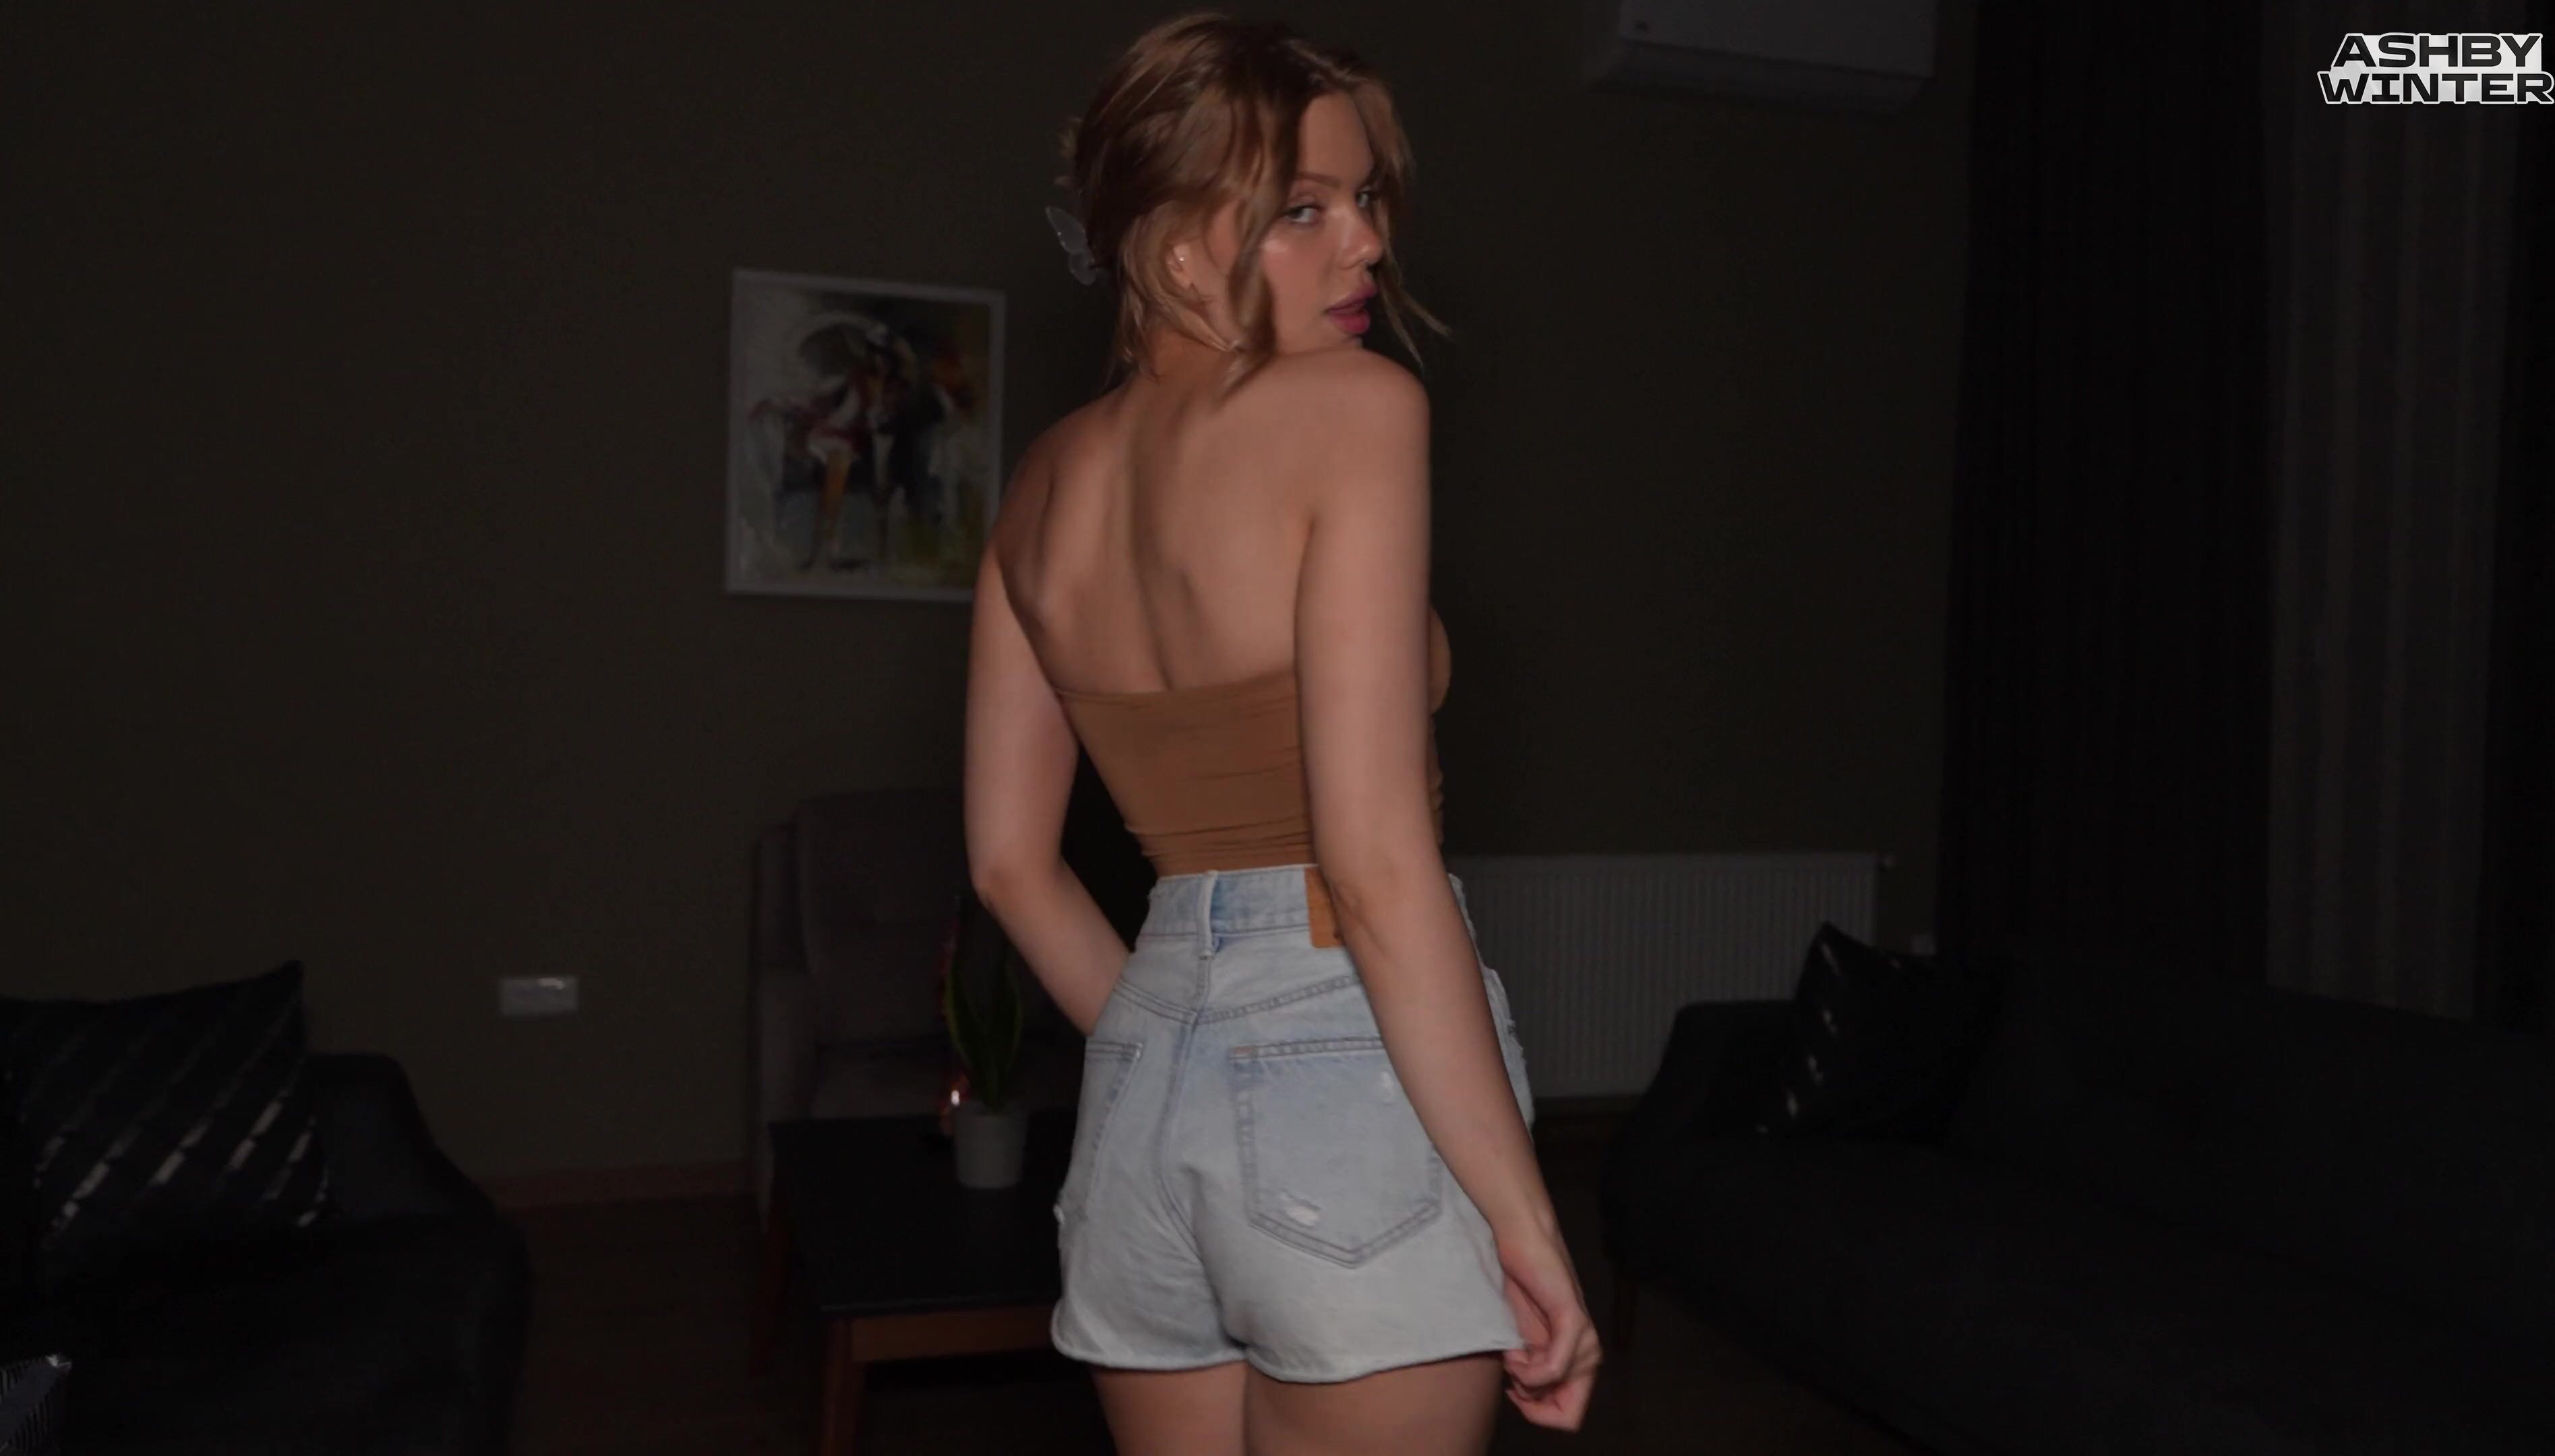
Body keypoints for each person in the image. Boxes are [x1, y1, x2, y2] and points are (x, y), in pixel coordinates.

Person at [961, 13, 1601, 1453]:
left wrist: (1181, 1043)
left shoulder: (1038, 487)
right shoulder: (1353, 411)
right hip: (1346, 1059)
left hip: (1137, 1096)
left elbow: (1008, 865)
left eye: (1364, 198)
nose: (1365, 243)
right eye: (1302, 210)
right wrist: (1528, 1224)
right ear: (1177, 250)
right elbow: (1370, 865)